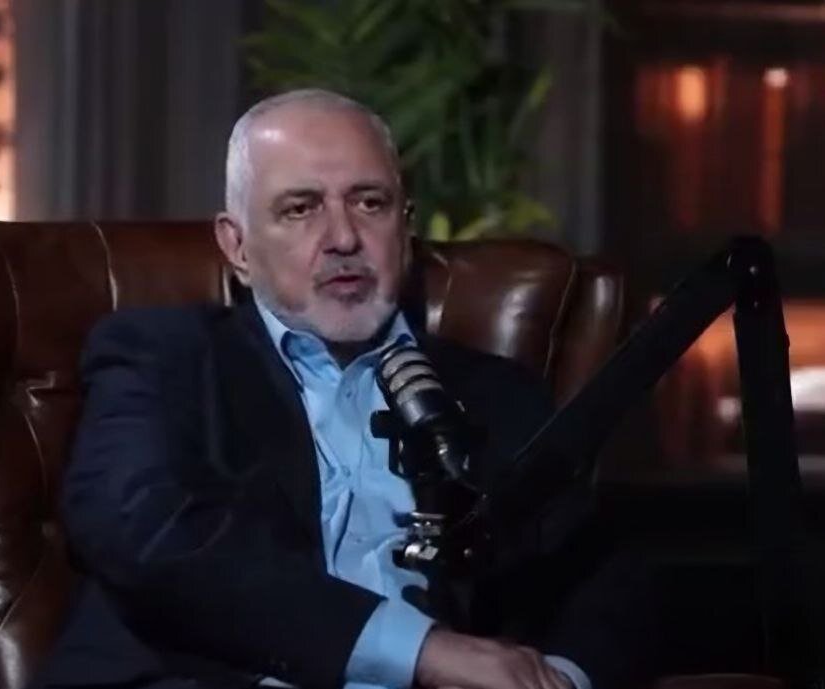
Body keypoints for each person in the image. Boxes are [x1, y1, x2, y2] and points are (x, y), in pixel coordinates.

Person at [32, 89, 650, 689]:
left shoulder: (496, 392)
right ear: (237, 246)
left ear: (405, 226)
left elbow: (605, 577)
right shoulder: (163, 358)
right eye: (300, 209)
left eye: (370, 203)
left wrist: (555, 680)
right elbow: (142, 529)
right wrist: (422, 651)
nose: (344, 238)